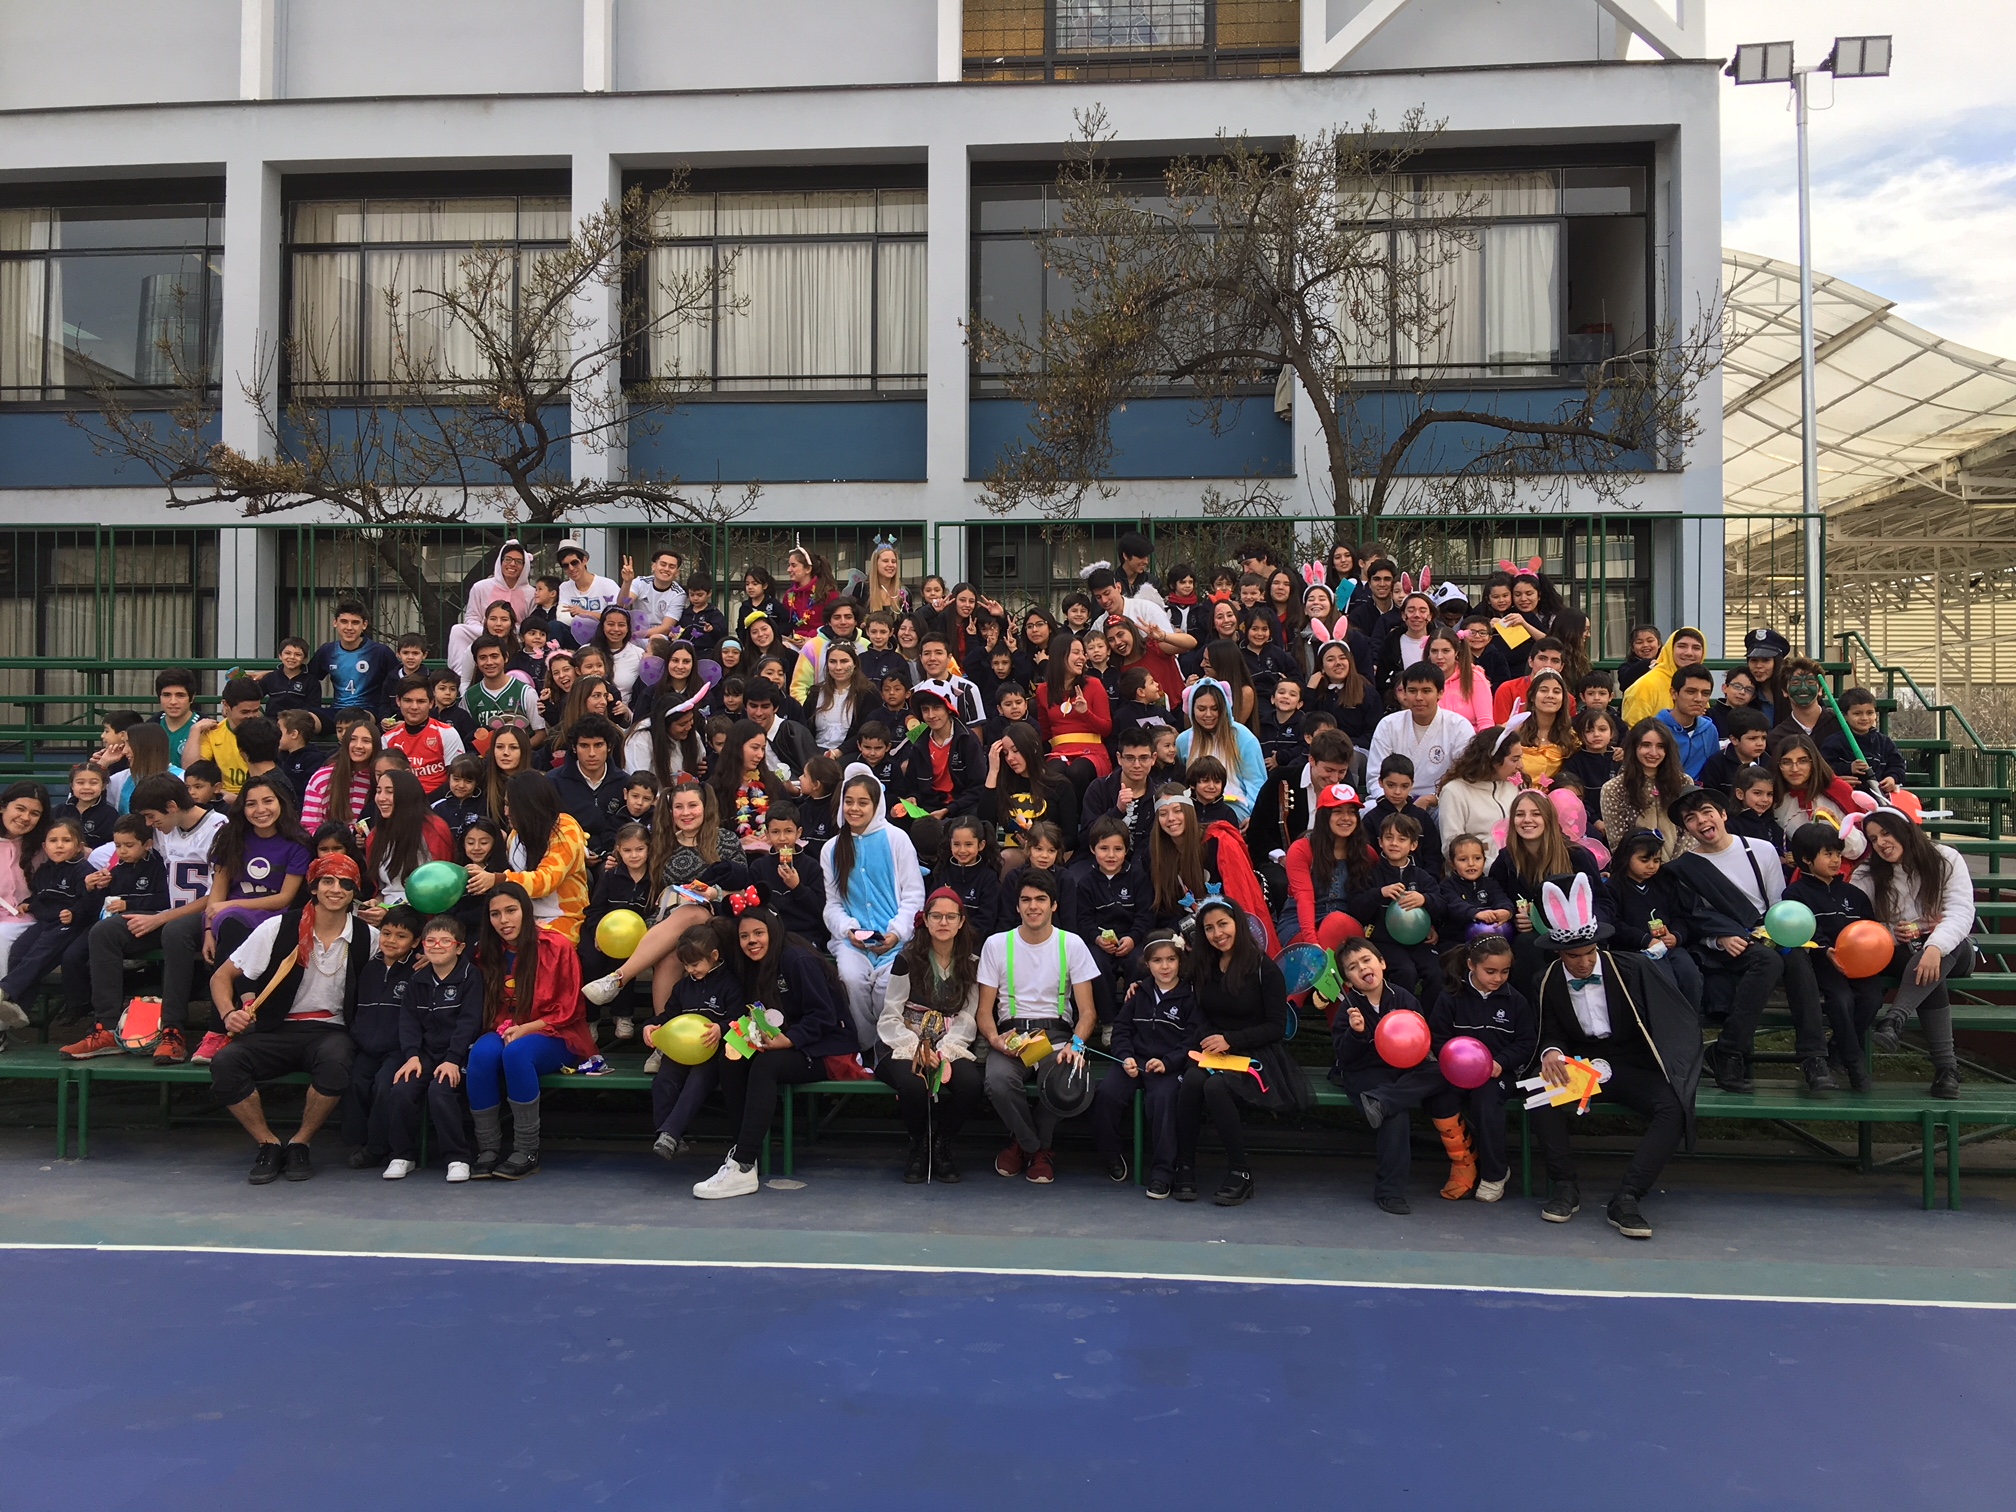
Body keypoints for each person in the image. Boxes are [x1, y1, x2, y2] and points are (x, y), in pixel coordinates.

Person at [1526, 873, 1703, 1240]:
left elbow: (1670, 1016)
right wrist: (1552, 1052)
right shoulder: (1545, 979)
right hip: (1581, 1065)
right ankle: (1564, 1186)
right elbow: (1550, 1029)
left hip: (1629, 1063)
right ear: (1558, 953)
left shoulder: (1632, 968)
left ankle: (1628, 1196)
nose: (1583, 963)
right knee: (1540, 1096)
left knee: (1673, 1107)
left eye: (1589, 953)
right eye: (1573, 956)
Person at [204, 853, 376, 1184]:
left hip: (330, 1030)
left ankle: (300, 1143)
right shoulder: (278, 927)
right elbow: (221, 977)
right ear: (313, 887)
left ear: (354, 891)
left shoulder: (369, 937)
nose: (336, 889)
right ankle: (267, 1143)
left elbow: (403, 958)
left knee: (337, 1061)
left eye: (345, 883)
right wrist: (228, 1013)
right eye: (327, 881)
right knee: (226, 1064)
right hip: (276, 1027)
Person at [693, 906, 858, 1200]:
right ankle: (744, 1155)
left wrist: (790, 1039)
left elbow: (824, 1016)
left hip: (829, 1048)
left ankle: (743, 1163)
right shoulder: (752, 965)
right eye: (744, 936)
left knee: (766, 1066)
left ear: (773, 931)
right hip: (786, 1042)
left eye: (758, 933)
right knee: (731, 1056)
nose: (751, 941)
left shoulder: (797, 959)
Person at [61, 776, 228, 1062]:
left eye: (151, 816)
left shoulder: (220, 828)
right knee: (105, 932)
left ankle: (173, 1031)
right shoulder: (166, 829)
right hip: (169, 915)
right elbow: (127, 852)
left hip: (206, 917)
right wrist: (104, 875)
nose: (149, 824)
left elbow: (217, 895)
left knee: (175, 931)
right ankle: (106, 1028)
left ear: (172, 806)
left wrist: (160, 919)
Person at [1664, 788, 1808, 1094]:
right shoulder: (1683, 869)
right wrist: (1720, 938)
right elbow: (1694, 918)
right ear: (1686, 828)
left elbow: (1776, 904)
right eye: (1691, 818)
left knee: (1797, 957)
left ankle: (1814, 1056)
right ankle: (1730, 1052)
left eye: (1707, 812)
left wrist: (1778, 935)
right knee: (1767, 960)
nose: (1702, 821)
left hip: (1767, 932)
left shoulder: (1761, 850)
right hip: (1722, 946)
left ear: (1722, 814)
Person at [1175, 896, 1306, 1206]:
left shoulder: (1264, 968)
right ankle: (1184, 1165)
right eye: (1209, 928)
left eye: (1223, 924)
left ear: (1238, 924)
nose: (1217, 933)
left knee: (1216, 1087)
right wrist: (1138, 987)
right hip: (1214, 1050)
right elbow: (1196, 1009)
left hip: (1255, 1054)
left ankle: (1240, 1172)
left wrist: (1230, 1040)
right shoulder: (1204, 966)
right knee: (1192, 1081)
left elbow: (1276, 1027)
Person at [977, 867, 1099, 1185]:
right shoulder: (996, 944)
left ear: (1053, 905)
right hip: (1012, 1035)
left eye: (1041, 899)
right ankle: (1037, 1147)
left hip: (1057, 1036)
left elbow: (1088, 1012)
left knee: (1066, 1079)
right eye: (1026, 899)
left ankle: (1022, 1145)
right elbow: (984, 1011)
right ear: (1017, 905)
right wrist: (994, 1039)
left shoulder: (1072, 944)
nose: (1033, 906)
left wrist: (1076, 1045)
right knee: (998, 1081)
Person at [1855, 809, 1976, 1099]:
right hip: (1904, 951)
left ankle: (1895, 1017)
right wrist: (1890, 931)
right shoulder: (1868, 873)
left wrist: (1935, 946)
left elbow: (1960, 912)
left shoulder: (1945, 858)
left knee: (1933, 958)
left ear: (1906, 830)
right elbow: (1858, 923)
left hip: (1954, 948)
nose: (1881, 843)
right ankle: (1947, 1070)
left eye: (1886, 833)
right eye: (1873, 838)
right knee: (1926, 971)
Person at [875, 888, 985, 1184]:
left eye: (951, 917)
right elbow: (891, 1013)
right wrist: (916, 1049)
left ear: (961, 921)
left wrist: (945, 1050)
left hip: (950, 1042)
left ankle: (941, 1143)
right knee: (913, 1083)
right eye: (936, 916)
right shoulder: (908, 959)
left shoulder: (972, 963)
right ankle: (918, 1145)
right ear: (925, 920)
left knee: (970, 1084)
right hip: (904, 1040)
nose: (943, 922)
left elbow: (967, 1015)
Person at [822, 767, 927, 1050]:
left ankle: (888, 1049)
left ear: (876, 804)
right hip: (852, 940)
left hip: (895, 939)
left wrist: (896, 933)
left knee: (887, 987)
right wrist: (849, 929)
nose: (854, 809)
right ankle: (864, 1047)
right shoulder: (831, 848)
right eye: (849, 801)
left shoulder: (896, 839)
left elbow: (914, 895)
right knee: (851, 979)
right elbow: (832, 904)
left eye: (863, 802)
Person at [1092, 931, 1196, 1197]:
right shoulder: (1139, 993)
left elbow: (1192, 1040)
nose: (1165, 966)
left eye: (1171, 959)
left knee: (1163, 1101)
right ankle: (1111, 1155)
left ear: (1180, 961)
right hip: (1134, 1061)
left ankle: (1162, 1173)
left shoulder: (1189, 996)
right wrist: (1125, 1055)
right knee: (1106, 1095)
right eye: (1157, 960)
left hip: (1167, 1066)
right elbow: (1122, 1029)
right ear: (1147, 964)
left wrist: (1168, 1062)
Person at [380, 914, 483, 1182]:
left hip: (459, 1054)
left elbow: (469, 1022)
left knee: (441, 1091)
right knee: (401, 1089)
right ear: (422, 945)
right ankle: (402, 1155)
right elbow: (408, 1021)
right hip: (425, 1054)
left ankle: (458, 1158)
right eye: (431, 941)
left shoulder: (471, 977)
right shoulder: (418, 980)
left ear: (459, 947)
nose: (437, 946)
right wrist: (412, 1056)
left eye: (445, 941)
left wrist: (453, 1059)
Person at [1780, 823, 1882, 1092]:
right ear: (1806, 859)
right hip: (1823, 963)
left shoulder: (1854, 894)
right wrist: (1825, 949)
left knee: (1872, 997)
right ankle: (1854, 1062)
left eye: (1838, 853)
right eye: (1828, 854)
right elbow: (1800, 930)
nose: (1836, 860)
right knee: (1841, 999)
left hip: (1858, 963)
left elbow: (1869, 928)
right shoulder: (1795, 894)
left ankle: (1837, 1048)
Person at [465, 771, 590, 944]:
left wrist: (497, 879)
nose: (506, 812)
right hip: (520, 917)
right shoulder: (514, 835)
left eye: (511, 806)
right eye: (505, 804)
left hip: (562, 918)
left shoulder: (565, 827)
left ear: (529, 805)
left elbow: (546, 880)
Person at [1367, 665, 1473, 800]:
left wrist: (1434, 799)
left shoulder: (1459, 726)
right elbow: (1375, 776)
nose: (1419, 697)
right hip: (1393, 799)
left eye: (1426, 691)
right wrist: (1394, 801)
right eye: (1412, 691)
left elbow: (1465, 775)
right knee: (1368, 809)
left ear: (1440, 693)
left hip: (1440, 801)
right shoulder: (1388, 724)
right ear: (1404, 693)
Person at [1599, 719, 1693, 862]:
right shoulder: (1614, 788)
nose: (1653, 753)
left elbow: (1689, 832)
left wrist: (1675, 867)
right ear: (1634, 747)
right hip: (1635, 869)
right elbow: (1618, 843)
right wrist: (1647, 865)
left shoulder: (1684, 782)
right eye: (1646, 745)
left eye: (1660, 746)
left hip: (1680, 867)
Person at [447, 541, 536, 685]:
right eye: (508, 559)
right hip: (484, 631)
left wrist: (510, 629)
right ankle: (459, 675)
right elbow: (472, 616)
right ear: (500, 561)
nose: (512, 564)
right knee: (458, 630)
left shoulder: (531, 593)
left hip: (514, 635)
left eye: (518, 561)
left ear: (525, 566)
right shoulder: (480, 587)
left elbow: (530, 623)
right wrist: (489, 629)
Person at [1176, 681, 1265, 824]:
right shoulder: (1183, 740)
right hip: (1195, 807)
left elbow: (1256, 782)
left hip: (1235, 808)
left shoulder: (1243, 736)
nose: (1208, 714)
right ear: (1191, 709)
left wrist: (1255, 817)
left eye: (1215, 708)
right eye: (1201, 709)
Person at [1033, 633, 1114, 790]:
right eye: (1076, 652)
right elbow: (1045, 732)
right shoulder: (1043, 691)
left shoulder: (1094, 685)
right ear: (1060, 656)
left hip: (1091, 751)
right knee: (1053, 772)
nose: (1082, 658)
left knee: (1078, 771)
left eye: (1083, 653)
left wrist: (1085, 713)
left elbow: (1106, 729)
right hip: (1059, 751)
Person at [1435, 727, 1522, 867]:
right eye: (1515, 759)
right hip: (1478, 874)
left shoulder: (1514, 786)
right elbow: (1452, 846)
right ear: (1494, 760)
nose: (1520, 766)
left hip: (1517, 869)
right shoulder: (1454, 791)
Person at [1621, 625, 1707, 727]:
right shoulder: (1645, 686)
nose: (1689, 653)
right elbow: (1634, 731)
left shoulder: (1701, 683)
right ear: (1670, 649)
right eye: (1682, 646)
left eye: (1696, 648)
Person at [1656, 666, 1719, 781]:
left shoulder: (1710, 730)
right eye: (1691, 692)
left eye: (1705, 693)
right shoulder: (1653, 729)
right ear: (1674, 693)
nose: (1699, 699)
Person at [554, 539, 622, 641]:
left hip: (603, 635)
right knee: (554, 626)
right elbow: (562, 617)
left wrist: (584, 613)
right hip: (576, 634)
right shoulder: (564, 587)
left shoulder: (607, 584)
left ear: (584, 560)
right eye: (565, 566)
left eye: (574, 563)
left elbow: (617, 616)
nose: (571, 568)